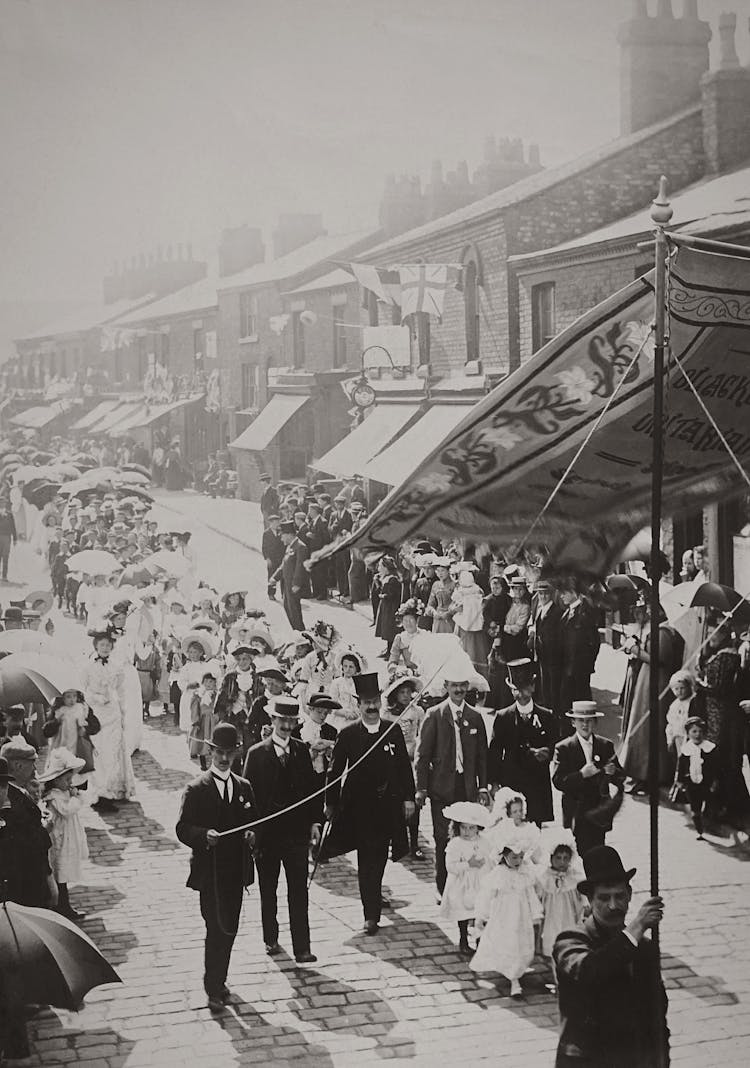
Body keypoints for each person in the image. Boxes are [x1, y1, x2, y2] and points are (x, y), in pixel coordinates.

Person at [553, 845, 669, 1068]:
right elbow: (589, 971)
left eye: (620, 896)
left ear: (630, 895)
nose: (613, 905)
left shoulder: (644, 947)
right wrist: (637, 926)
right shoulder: (570, 941)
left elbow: (657, 1016)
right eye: (604, 898)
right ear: (589, 899)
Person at [175, 723, 258, 1015]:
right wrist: (203, 836)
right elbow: (183, 828)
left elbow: (253, 824)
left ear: (236, 753)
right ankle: (212, 987)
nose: (224, 759)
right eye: (219, 753)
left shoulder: (244, 787)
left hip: (235, 874)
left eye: (229, 753)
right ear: (211, 752)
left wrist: (252, 836)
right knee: (215, 929)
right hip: (209, 873)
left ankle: (220, 980)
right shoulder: (196, 789)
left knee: (230, 929)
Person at [324, 672, 415, 935]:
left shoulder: (392, 730)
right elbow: (334, 771)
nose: (372, 707)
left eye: (375, 701)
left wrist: (409, 798)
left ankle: (375, 893)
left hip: (388, 807)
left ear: (380, 703)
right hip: (360, 809)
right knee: (366, 860)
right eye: (366, 702)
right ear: (359, 705)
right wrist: (331, 804)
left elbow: (403, 768)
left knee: (381, 856)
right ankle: (370, 914)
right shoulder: (348, 734)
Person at [243, 697, 321, 964]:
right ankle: (271, 938)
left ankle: (302, 947)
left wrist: (314, 822)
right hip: (267, 837)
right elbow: (248, 797)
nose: (287, 726)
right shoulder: (256, 754)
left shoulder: (301, 751)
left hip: (297, 835)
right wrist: (252, 830)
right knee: (269, 888)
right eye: (282, 720)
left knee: (299, 890)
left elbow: (312, 791)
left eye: (291, 721)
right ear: (272, 720)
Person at [414, 662, 490, 895]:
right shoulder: (435, 715)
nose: (458, 690)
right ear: (446, 686)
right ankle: (443, 887)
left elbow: (482, 757)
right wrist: (421, 788)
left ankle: (467, 886)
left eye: (462, 686)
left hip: (466, 788)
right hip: (441, 789)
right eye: (454, 686)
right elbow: (422, 755)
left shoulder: (475, 717)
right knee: (443, 838)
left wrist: (483, 787)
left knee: (469, 836)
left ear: (468, 687)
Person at [470, 827, 543, 997]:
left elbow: (530, 894)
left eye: (520, 857)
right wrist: (482, 915)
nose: (517, 861)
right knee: (507, 942)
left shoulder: (525, 872)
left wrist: (536, 914)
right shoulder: (499, 874)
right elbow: (487, 894)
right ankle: (513, 979)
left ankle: (517, 969)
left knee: (521, 942)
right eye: (513, 857)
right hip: (504, 915)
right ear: (504, 856)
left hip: (522, 915)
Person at [551, 701, 625, 859]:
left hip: (599, 810)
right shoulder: (563, 748)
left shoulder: (605, 745)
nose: (585, 725)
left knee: (598, 850)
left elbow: (621, 776)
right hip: (576, 810)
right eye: (581, 721)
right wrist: (581, 774)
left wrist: (613, 772)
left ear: (595, 722)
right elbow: (558, 781)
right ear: (573, 722)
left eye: (589, 720)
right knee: (578, 853)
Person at [489, 658, 557, 826]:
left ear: (533, 687)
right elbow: (494, 751)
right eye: (516, 690)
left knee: (534, 830)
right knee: (511, 830)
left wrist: (545, 753)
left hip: (537, 784)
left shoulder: (546, 716)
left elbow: (553, 744)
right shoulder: (503, 717)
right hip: (512, 783)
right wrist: (494, 782)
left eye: (525, 688)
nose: (521, 694)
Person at [38, 747, 90, 922]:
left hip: (69, 838)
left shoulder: (63, 792)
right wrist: (76, 798)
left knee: (64, 874)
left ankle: (64, 905)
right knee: (61, 873)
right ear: (55, 780)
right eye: (66, 779)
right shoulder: (54, 796)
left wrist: (73, 793)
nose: (70, 783)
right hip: (60, 841)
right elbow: (67, 810)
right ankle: (62, 906)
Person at [438, 800, 492, 955]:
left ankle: (480, 938)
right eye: (463, 828)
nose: (467, 831)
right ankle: (463, 939)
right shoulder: (455, 844)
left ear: (478, 828)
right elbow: (450, 866)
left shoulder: (484, 841)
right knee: (463, 912)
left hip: (480, 881)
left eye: (471, 828)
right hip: (462, 883)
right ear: (457, 827)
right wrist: (468, 864)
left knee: (481, 911)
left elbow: (490, 858)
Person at [382, 674, 425, 858]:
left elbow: (422, 735)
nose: (406, 696)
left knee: (414, 800)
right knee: (394, 801)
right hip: (392, 761)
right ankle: (396, 841)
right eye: (402, 692)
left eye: (409, 692)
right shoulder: (388, 714)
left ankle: (414, 843)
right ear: (395, 695)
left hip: (412, 758)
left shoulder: (418, 712)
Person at [535, 830, 584, 980]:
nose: (562, 862)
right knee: (553, 943)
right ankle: (558, 978)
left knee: (570, 943)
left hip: (569, 916)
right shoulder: (545, 877)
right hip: (552, 917)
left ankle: (571, 971)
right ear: (551, 858)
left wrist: (585, 906)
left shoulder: (574, 875)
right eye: (558, 858)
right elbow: (538, 897)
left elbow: (582, 894)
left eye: (565, 858)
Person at [558, 586, 601, 726]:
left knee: (582, 705)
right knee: (568, 704)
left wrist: (586, 665)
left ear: (574, 592)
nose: (561, 596)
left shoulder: (585, 613)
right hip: (566, 668)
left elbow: (594, 643)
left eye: (564, 592)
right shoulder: (567, 613)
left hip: (579, 669)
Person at [677, 716, 718, 839]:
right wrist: (680, 780)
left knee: (708, 803)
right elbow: (681, 766)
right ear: (688, 733)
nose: (697, 734)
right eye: (694, 731)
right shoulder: (686, 749)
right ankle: (699, 830)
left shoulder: (709, 748)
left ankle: (709, 821)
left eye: (700, 731)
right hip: (691, 783)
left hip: (706, 782)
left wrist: (715, 781)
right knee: (695, 807)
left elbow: (715, 767)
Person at [529, 578, 564, 719]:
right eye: (540, 594)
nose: (543, 597)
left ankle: (555, 717)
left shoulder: (556, 612)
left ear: (550, 595)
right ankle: (548, 716)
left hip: (553, 658)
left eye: (545, 594)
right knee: (545, 689)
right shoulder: (540, 610)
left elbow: (557, 637)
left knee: (553, 689)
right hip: (542, 656)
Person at [277, 520, 307, 632]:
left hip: (294, 586)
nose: (281, 539)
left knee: (295, 612)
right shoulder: (290, 546)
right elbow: (284, 565)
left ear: (289, 534)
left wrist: (297, 583)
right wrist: (275, 578)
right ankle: (297, 633)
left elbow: (300, 567)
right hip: (287, 585)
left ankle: (301, 634)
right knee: (288, 609)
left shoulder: (300, 547)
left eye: (282, 536)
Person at [374, 555, 401, 658]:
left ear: (386, 567)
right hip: (385, 608)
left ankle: (391, 652)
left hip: (391, 608)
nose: (379, 568)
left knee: (390, 630)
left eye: (380, 566)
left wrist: (384, 596)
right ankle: (388, 649)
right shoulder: (385, 578)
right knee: (386, 629)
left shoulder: (393, 579)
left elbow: (393, 594)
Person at [262, 515, 284, 600]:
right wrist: (267, 558)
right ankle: (271, 593)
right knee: (272, 577)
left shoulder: (280, 531)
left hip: (281, 558)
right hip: (272, 559)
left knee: (283, 576)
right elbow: (264, 547)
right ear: (271, 523)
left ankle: (283, 593)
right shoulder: (266, 533)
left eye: (278, 522)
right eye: (275, 522)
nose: (277, 524)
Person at [0, 498, 18, 582]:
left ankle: (4, 576)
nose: (2, 504)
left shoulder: (9, 514)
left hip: (7, 537)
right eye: (1, 502)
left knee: (5, 556)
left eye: (4, 502)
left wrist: (15, 538)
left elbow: (13, 526)